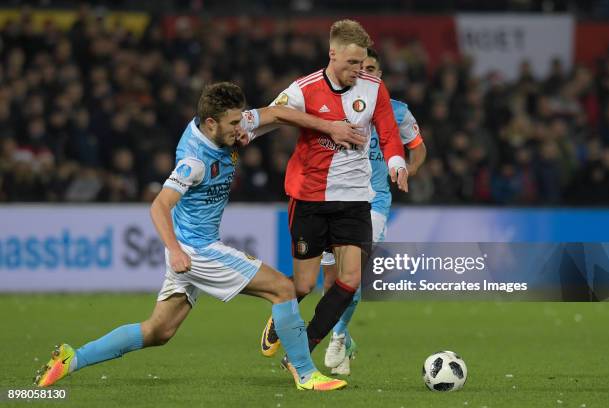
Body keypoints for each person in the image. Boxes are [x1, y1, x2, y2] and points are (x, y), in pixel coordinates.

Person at [34, 82, 366, 391]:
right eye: (234, 123)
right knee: (282, 288)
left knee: (158, 331)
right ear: (210, 123)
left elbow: (275, 113)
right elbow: (159, 206)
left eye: (241, 121)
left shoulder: (224, 127)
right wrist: (176, 251)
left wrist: (324, 126)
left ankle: (71, 358)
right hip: (197, 250)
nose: (241, 128)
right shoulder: (194, 161)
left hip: (192, 247)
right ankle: (306, 373)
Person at [254, 20, 408, 372]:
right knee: (305, 285)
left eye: (363, 62)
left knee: (350, 280)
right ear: (332, 54)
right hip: (310, 197)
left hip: (355, 198)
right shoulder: (304, 89)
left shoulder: (373, 87)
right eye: (352, 63)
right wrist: (327, 127)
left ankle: (301, 352)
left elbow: (387, 131)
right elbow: (274, 113)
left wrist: (397, 161)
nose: (359, 70)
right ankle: (280, 317)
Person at [321, 48, 427, 375]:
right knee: (330, 282)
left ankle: (337, 336)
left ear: (379, 75)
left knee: (352, 274)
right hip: (334, 199)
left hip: (374, 203)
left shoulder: (397, 112)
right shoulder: (336, 105)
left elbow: (418, 148)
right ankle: (347, 338)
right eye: (359, 66)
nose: (365, 72)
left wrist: (406, 169)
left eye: (371, 68)